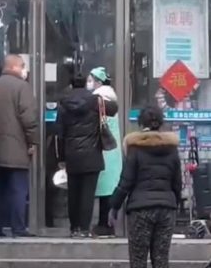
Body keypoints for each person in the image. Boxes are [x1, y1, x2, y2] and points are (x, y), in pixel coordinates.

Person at [109, 106, 181, 268]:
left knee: (138, 259)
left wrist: (114, 206)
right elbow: (177, 183)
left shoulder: (135, 149)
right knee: (161, 258)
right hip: (166, 209)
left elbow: (126, 182)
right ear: (161, 122)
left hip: (140, 209)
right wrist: (173, 204)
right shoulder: (172, 149)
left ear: (141, 123)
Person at [55, 73, 117, 238]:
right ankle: (84, 228)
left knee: (73, 193)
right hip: (92, 154)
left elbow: (59, 135)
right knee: (87, 194)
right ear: (85, 84)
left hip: (72, 155)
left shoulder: (63, 104)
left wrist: (61, 158)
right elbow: (114, 108)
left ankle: (74, 227)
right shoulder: (95, 100)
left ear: (71, 85)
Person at [0, 54, 38, 237]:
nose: (25, 69)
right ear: (14, 67)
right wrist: (32, 141)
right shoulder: (22, 87)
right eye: (23, 65)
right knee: (18, 190)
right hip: (17, 147)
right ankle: (18, 227)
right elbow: (29, 118)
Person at [86, 67, 122, 238]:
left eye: (90, 79)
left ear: (98, 82)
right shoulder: (111, 98)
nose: (89, 83)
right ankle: (107, 224)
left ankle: (103, 225)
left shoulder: (99, 100)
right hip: (112, 151)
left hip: (103, 150)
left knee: (102, 190)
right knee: (108, 190)